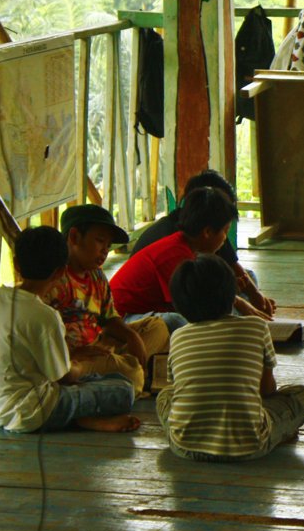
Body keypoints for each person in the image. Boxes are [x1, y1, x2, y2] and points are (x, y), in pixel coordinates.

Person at [0, 226, 139, 433]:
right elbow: (66, 377)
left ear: (17, 264)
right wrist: (80, 365)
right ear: (62, 271)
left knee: (111, 381)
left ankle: (81, 418)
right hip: (31, 411)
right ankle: (82, 420)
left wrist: (74, 358)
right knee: (123, 389)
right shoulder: (45, 315)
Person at [156, 254, 304, 462]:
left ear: (180, 305)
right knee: (302, 395)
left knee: (164, 396)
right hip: (251, 445)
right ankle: (278, 433)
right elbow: (267, 391)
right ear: (233, 296)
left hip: (185, 446)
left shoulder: (178, 336)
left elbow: (177, 388)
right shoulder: (256, 326)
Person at [45, 204, 169, 397]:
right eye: (100, 241)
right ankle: (131, 374)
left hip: (100, 344)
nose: (105, 251)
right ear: (74, 237)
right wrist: (70, 354)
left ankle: (122, 369)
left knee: (158, 327)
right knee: (132, 373)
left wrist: (131, 336)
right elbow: (42, 336)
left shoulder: (96, 275)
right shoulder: (54, 280)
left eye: (108, 245)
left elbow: (109, 318)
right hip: (74, 359)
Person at [132, 169, 276, 317]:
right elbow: (188, 301)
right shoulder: (173, 246)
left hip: (180, 298)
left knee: (245, 276)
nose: (225, 237)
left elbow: (231, 267)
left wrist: (253, 294)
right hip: (138, 316)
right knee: (176, 320)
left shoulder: (197, 234)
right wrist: (236, 300)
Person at [110, 186, 244, 333]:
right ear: (207, 232)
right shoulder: (175, 255)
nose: (225, 239)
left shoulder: (187, 248)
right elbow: (191, 307)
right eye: (225, 231)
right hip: (122, 321)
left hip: (150, 312)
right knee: (177, 321)